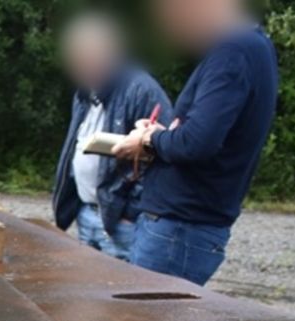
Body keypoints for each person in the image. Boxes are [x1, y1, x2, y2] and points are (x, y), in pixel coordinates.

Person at [112, 0, 278, 285]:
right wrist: (164, 134)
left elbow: (196, 143)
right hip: (183, 227)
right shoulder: (253, 47)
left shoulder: (233, 53)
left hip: (180, 229)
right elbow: (202, 134)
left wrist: (148, 138)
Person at [50, 13, 169, 261]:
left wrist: (130, 213)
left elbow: (164, 154)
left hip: (121, 223)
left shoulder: (141, 89)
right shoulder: (84, 91)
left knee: (117, 296)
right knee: (85, 294)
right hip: (86, 212)